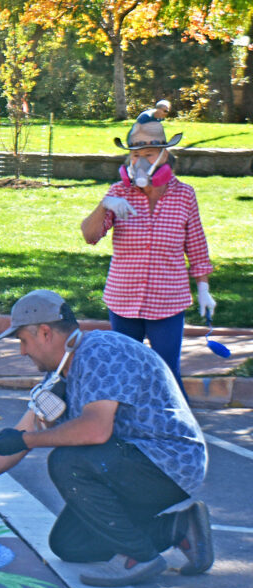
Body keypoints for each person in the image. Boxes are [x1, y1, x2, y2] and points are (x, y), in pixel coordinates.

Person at [0, 290, 213, 588]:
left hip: (169, 464)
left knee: (66, 460)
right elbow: (17, 441)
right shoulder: (59, 374)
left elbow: (95, 430)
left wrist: (28, 440)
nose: (22, 351)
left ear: (44, 332)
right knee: (69, 544)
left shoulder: (103, 352)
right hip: (130, 465)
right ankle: (179, 528)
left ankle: (138, 557)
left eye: (23, 340)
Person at [79, 113, 215, 390]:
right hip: (123, 299)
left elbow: (197, 245)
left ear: (165, 156)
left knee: (166, 372)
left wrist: (203, 287)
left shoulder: (185, 195)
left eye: (149, 154)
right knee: (124, 370)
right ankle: (126, 428)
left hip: (168, 301)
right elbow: (89, 236)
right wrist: (106, 204)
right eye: (135, 155)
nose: (140, 162)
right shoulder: (119, 193)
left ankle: (176, 429)